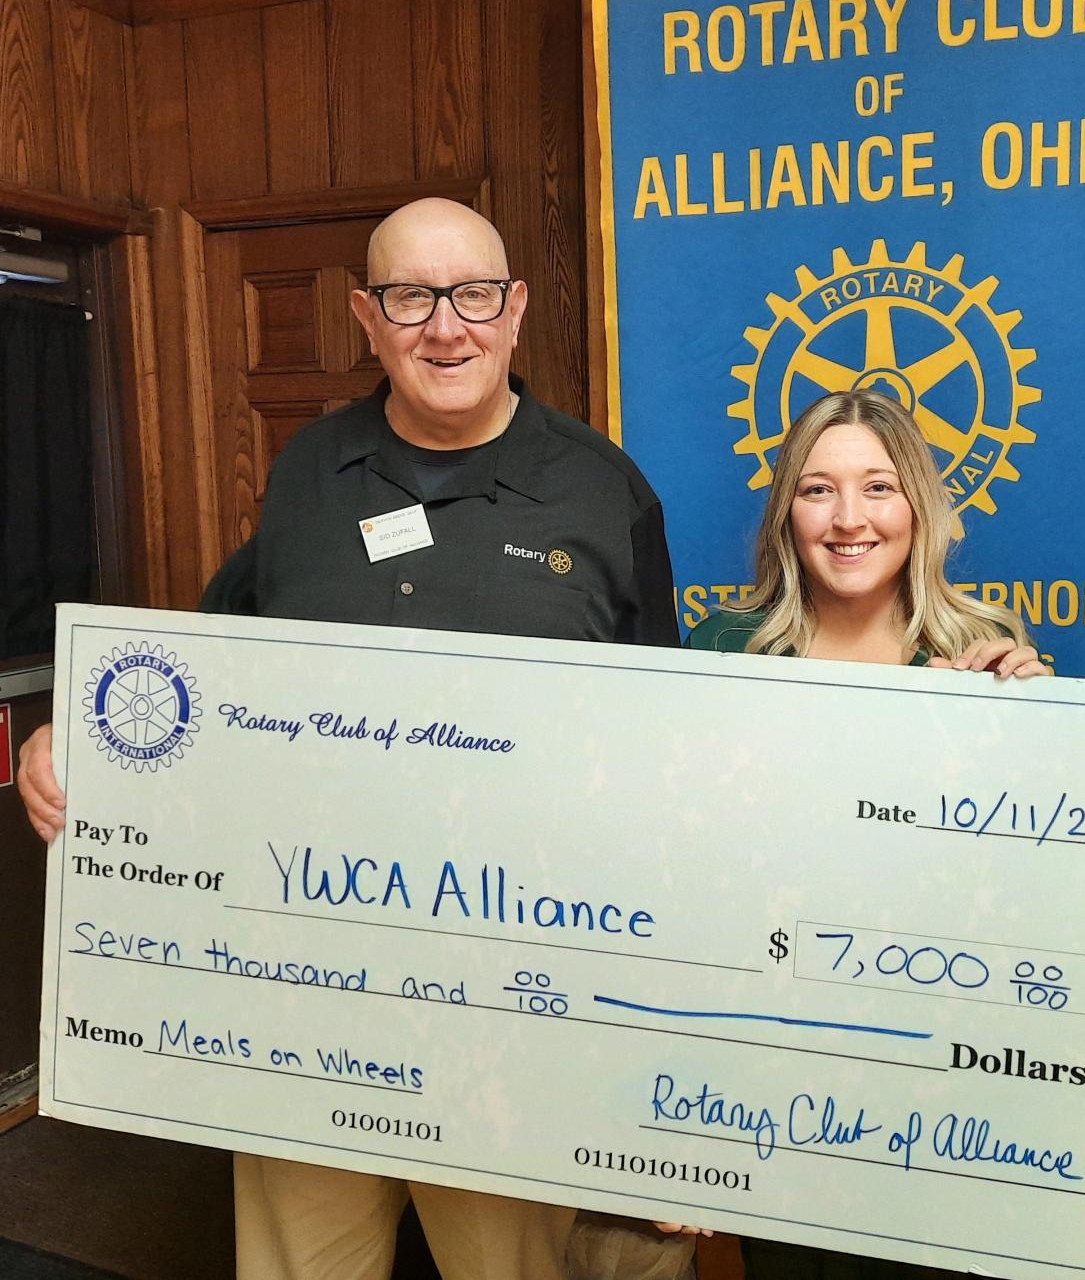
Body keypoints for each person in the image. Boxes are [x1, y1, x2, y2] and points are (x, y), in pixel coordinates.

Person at [17, 197, 684, 1280]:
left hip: (511, 1001)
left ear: (514, 310)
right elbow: (207, 677)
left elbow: (672, 749)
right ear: (368, 316)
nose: (446, 327)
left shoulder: (604, 492)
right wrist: (85, 731)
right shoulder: (304, 476)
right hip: (301, 991)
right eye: (411, 297)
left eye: (472, 294)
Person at [682, 388, 1047, 1279]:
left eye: (878, 487)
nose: (849, 519)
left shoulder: (985, 652)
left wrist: (1036, 727)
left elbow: (1026, 890)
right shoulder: (724, 647)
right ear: (785, 515)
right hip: (773, 1055)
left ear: (918, 505)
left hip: (928, 1067)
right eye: (818, 491)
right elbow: (681, 870)